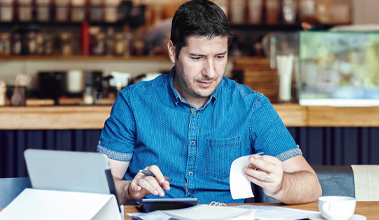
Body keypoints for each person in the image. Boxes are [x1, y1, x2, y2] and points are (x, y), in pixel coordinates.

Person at [97, 0, 322, 205]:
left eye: (220, 57)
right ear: (173, 52)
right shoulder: (133, 102)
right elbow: (99, 187)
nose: (210, 72)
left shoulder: (252, 107)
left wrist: (281, 185)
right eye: (197, 58)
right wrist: (130, 189)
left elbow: (311, 186)